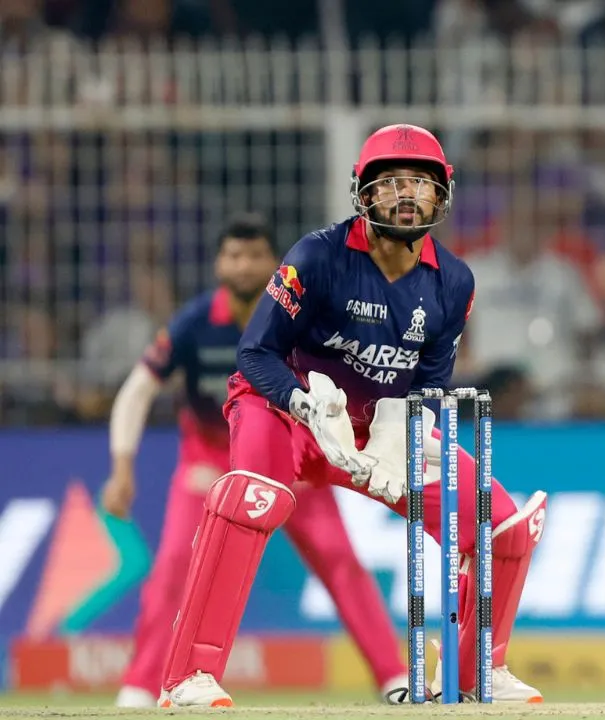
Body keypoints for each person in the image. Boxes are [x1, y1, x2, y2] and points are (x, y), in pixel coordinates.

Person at [157, 125, 547, 707]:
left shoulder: (454, 282)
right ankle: (188, 676)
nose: (406, 194)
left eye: (420, 182)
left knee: (501, 525)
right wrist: (301, 404)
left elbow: (432, 380)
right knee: (251, 496)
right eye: (390, 182)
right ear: (363, 192)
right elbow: (255, 354)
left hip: (375, 427)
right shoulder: (317, 256)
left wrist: (398, 433)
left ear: (442, 194)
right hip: (283, 409)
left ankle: (473, 673)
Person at [101, 215, 410, 707]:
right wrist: (122, 467)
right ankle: (140, 687)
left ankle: (393, 677)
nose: (244, 266)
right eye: (234, 256)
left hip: (293, 458)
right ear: (218, 264)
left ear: (276, 264)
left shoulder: (304, 315)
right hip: (209, 466)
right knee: (175, 567)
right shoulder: (194, 323)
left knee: (340, 561)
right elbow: (138, 390)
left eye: (254, 256)